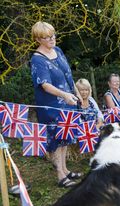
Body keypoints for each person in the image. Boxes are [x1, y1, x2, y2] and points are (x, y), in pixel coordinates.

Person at [30, 21, 83, 188]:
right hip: (52, 105)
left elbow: (68, 74)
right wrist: (64, 95)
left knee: (66, 136)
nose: (52, 39)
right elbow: (45, 84)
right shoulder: (37, 60)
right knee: (57, 138)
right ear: (38, 39)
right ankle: (60, 175)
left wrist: (76, 92)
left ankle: (65, 169)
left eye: (53, 35)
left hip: (69, 101)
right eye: (47, 37)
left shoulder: (58, 51)